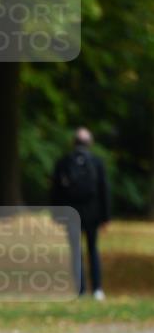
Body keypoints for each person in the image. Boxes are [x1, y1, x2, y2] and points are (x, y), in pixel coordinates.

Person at [51, 127, 110, 299]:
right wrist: (105, 217)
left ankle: (81, 289)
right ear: (89, 143)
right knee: (93, 249)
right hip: (92, 213)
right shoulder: (97, 162)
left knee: (75, 251)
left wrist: (56, 214)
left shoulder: (63, 162)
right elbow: (104, 190)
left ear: (73, 142)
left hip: (71, 213)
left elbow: (55, 192)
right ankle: (98, 288)